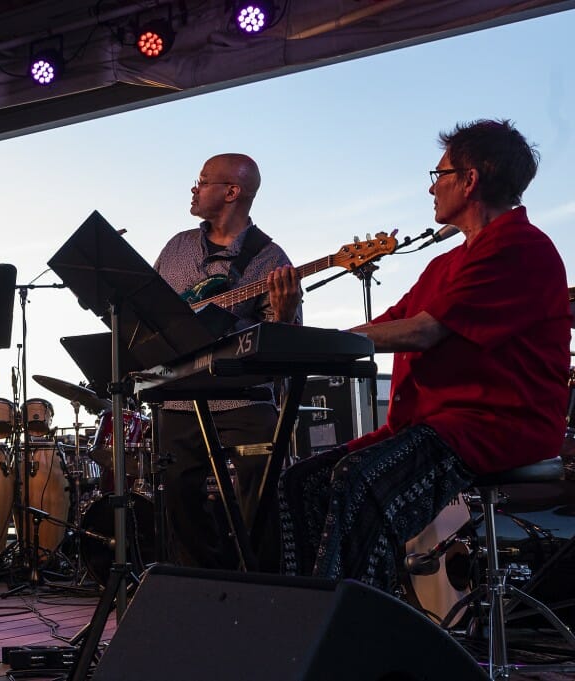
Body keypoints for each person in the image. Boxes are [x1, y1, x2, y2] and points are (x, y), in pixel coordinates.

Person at [278, 119, 571, 592]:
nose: (432, 187)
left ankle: (354, 631)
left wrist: (309, 344)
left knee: (359, 479)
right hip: (437, 426)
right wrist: (297, 329)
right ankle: (300, 617)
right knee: (302, 482)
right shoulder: (445, 263)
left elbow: (422, 331)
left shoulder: (521, 247)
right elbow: (382, 328)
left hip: (495, 425)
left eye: (439, 174)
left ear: (470, 180)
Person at [154, 153, 302, 570]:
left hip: (244, 400)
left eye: (202, 181)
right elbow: (150, 314)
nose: (193, 189)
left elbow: (284, 351)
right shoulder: (177, 247)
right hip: (181, 397)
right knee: (179, 498)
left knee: (264, 496)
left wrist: (285, 314)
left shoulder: (271, 259)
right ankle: (200, 590)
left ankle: (264, 590)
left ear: (232, 192)